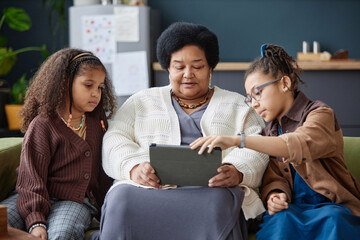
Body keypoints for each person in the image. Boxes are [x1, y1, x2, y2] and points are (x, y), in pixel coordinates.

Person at [90, 22, 268, 240]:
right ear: (167, 68)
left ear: (210, 68)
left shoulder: (238, 105)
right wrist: (134, 168)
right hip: (148, 189)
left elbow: (256, 143)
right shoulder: (141, 101)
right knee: (121, 199)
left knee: (219, 203)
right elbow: (114, 139)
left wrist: (237, 170)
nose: (188, 74)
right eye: (179, 66)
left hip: (211, 191)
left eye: (197, 66)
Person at [190, 44, 360, 239]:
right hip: (294, 208)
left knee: (333, 220)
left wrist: (238, 140)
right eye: (249, 98)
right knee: (279, 221)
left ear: (284, 83)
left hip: (333, 205)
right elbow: (274, 178)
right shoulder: (269, 132)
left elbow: (295, 143)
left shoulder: (320, 114)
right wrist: (275, 195)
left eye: (258, 93)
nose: (254, 103)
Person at [0, 48, 117, 240]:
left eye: (100, 87)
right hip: (31, 198)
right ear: (65, 83)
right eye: (88, 85)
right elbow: (31, 178)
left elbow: (104, 174)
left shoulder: (98, 124)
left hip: (75, 201)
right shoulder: (43, 124)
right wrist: (36, 220)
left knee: (62, 234)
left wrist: (109, 210)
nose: (96, 93)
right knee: (3, 224)